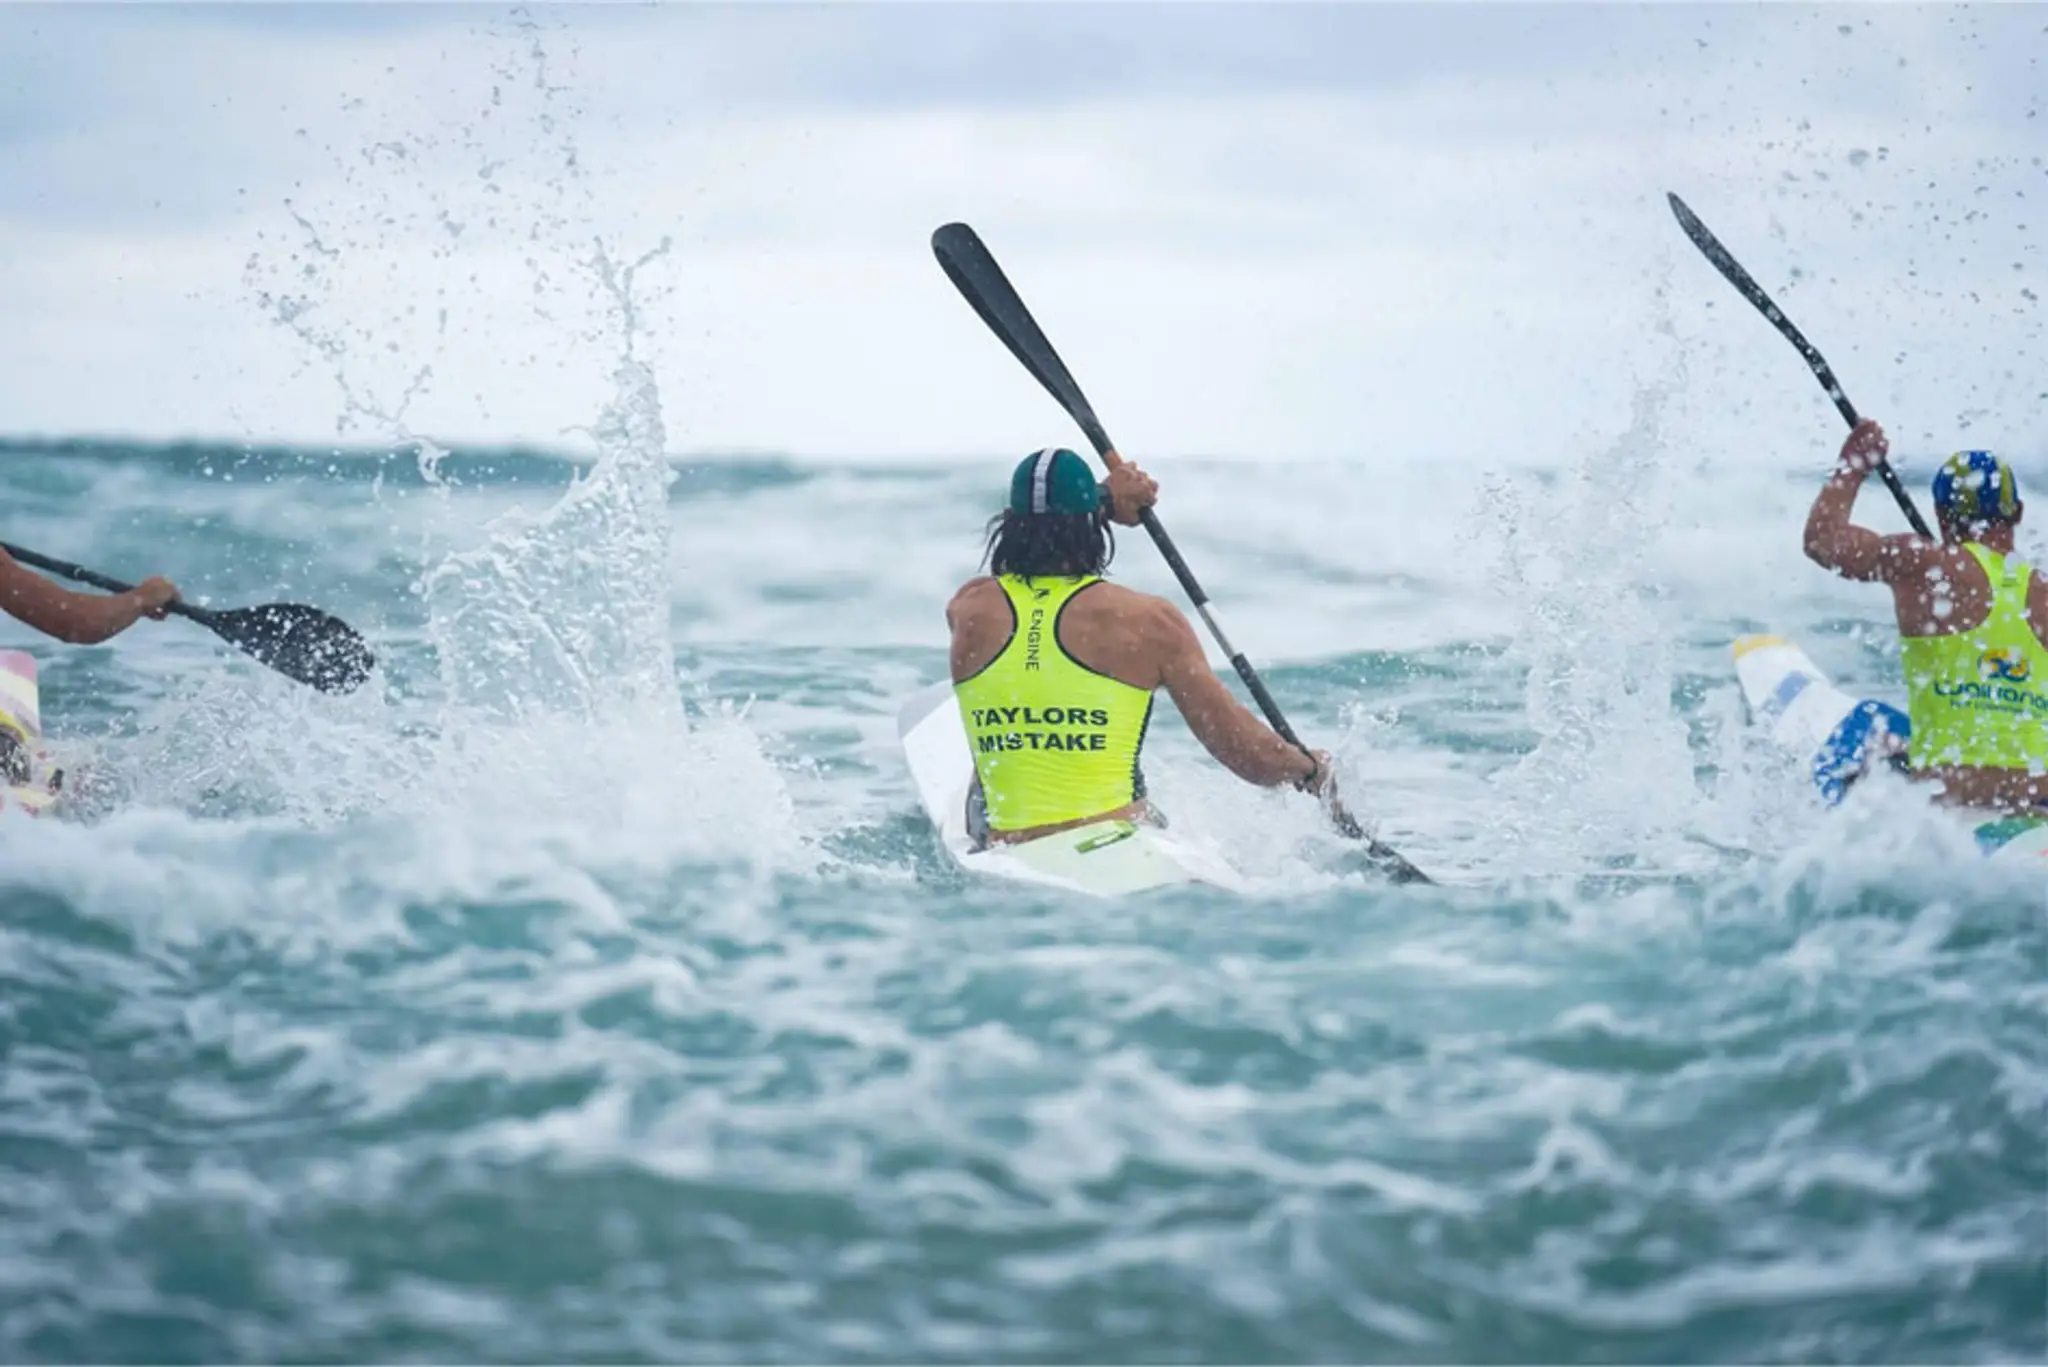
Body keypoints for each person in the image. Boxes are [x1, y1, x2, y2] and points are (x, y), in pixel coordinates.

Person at [947, 446, 1333, 846]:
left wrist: (1102, 502)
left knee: (989, 780)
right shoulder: (1150, 623)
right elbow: (1248, 756)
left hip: (1008, 847)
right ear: (1092, 525)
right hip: (1117, 844)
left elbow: (1021, 571)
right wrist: (1309, 769)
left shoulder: (968, 609)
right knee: (1147, 805)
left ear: (1008, 524)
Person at [1803, 419, 2048, 813]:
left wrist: (1853, 464)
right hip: (2038, 800)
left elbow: (1822, 541)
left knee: (1869, 724)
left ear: (1941, 514)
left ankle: (1822, 824)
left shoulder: (1923, 562)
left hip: (1952, 800)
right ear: (2017, 513)